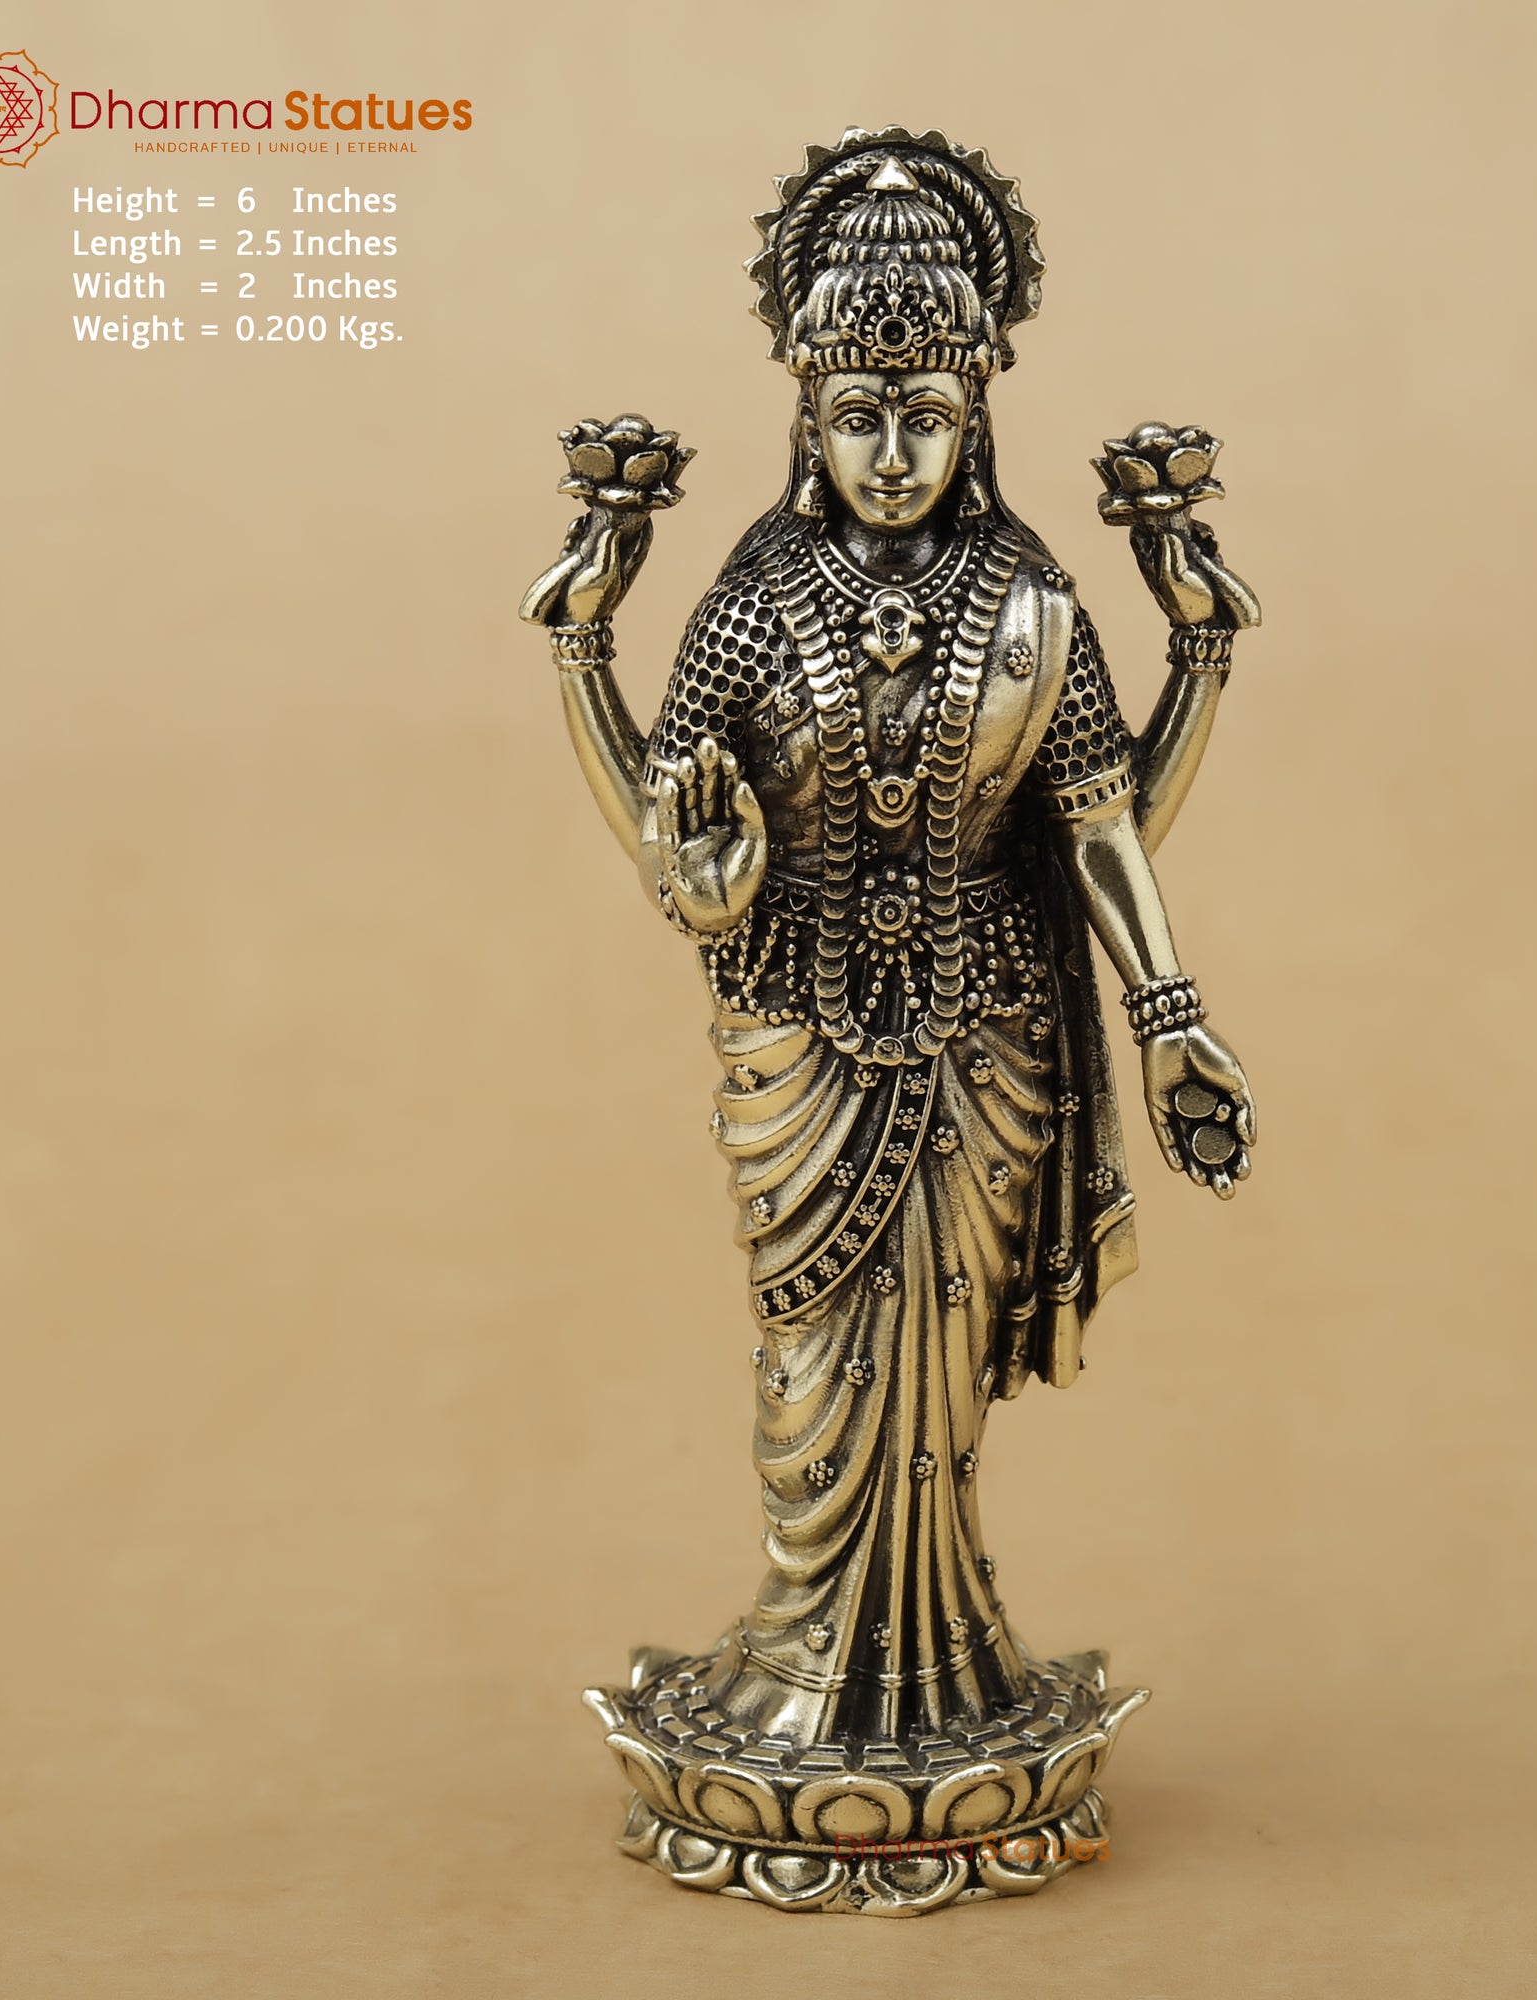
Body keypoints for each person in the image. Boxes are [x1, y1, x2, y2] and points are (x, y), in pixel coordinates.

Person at [523, 128, 1260, 1914]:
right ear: (806, 411)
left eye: (926, 413)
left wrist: (1169, 1013)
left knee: (938, 1372)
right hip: (800, 1048)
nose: (893, 453)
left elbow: (1095, 828)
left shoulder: (1033, 602)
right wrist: (584, 659)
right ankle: (807, 1659)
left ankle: (942, 1671)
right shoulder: (754, 602)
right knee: (816, 1369)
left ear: (979, 407)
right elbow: (678, 838)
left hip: (986, 1041)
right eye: (858, 414)